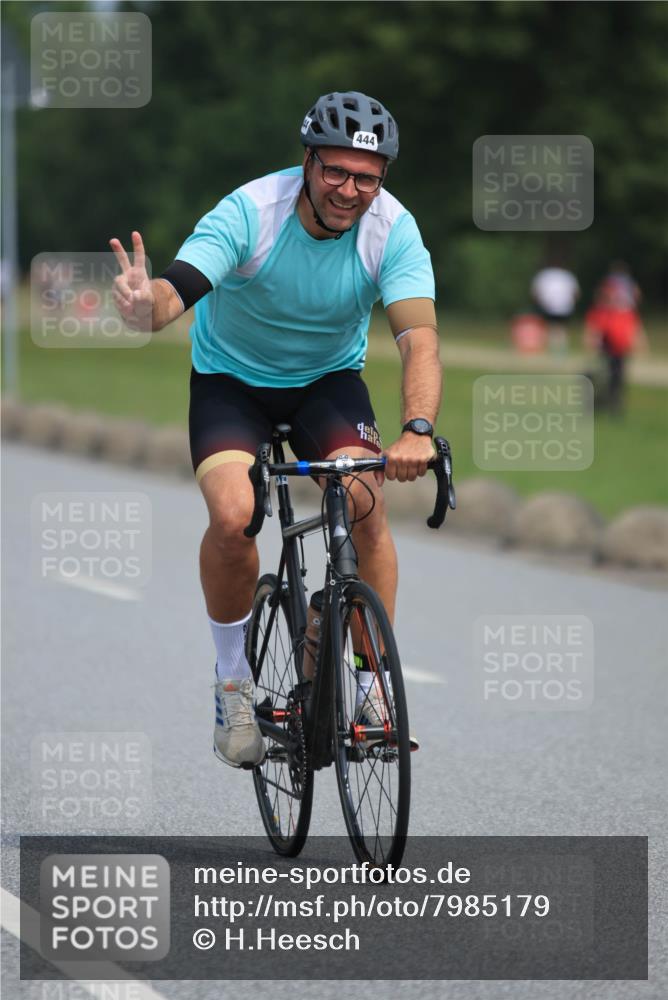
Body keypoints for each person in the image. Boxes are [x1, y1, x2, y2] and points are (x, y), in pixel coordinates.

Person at [110, 91, 441, 768]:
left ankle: (369, 685)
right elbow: (175, 292)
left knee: (367, 505)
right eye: (335, 171)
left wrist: (417, 429)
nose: (349, 190)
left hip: (327, 383)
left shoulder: (393, 229)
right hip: (232, 385)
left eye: (367, 178)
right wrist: (147, 307)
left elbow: (420, 340)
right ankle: (233, 686)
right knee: (235, 518)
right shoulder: (251, 212)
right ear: (308, 161)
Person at [584, 261, 647, 414]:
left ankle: (614, 403)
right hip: (608, 348)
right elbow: (596, 329)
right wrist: (592, 340)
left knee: (618, 377)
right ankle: (602, 401)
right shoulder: (604, 311)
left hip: (620, 349)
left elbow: (634, 329)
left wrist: (640, 343)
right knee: (606, 375)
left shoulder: (625, 312)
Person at [530, 263, 580, 354]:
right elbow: (576, 293)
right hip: (564, 306)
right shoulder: (567, 275)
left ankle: (552, 349)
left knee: (550, 327)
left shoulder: (544, 274)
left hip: (548, 305)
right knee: (561, 328)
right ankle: (559, 349)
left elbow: (536, 291)